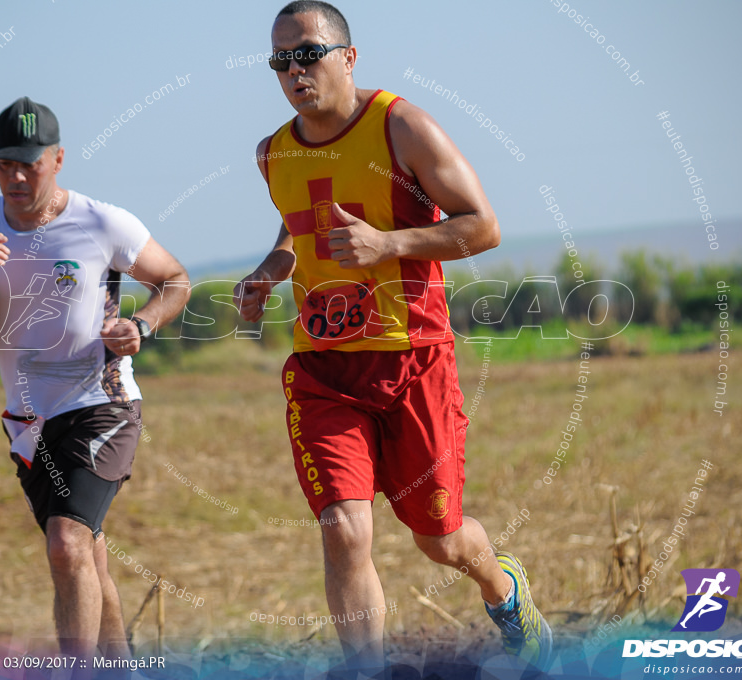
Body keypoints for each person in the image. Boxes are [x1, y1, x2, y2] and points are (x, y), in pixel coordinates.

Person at [234, 2, 552, 673]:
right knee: (343, 529)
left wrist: (390, 243)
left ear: (348, 57)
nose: (294, 71)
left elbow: (483, 225)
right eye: (279, 61)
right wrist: (269, 271)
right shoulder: (272, 153)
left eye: (308, 54)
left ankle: (504, 590)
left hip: (414, 363)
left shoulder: (400, 126)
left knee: (439, 541)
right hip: (324, 371)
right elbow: (300, 230)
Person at [0, 97, 189, 659]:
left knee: (66, 543)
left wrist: (142, 324)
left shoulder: (102, 222)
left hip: (103, 401)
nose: (16, 176)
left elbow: (174, 279)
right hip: (28, 423)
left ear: (59, 159)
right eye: (4, 164)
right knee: (87, 555)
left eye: (29, 163)